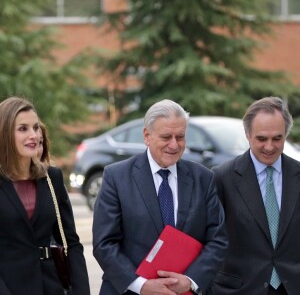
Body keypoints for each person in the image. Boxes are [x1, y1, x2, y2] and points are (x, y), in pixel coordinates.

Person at [93, 99, 228, 295]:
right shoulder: (116, 177)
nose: (174, 145)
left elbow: (218, 240)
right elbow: (104, 244)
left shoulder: (203, 178)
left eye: (180, 137)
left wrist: (191, 280)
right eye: (166, 136)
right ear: (147, 136)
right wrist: (141, 285)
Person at [208, 96, 300, 295]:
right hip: (241, 289)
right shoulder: (222, 177)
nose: (269, 146)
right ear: (248, 134)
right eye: (261, 138)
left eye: (277, 138)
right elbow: (210, 240)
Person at [0, 96, 90, 295]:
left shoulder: (52, 177)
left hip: (52, 285)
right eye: (23, 129)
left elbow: (71, 242)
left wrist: (81, 290)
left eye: (35, 127)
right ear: (5, 134)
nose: (33, 134)